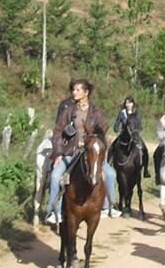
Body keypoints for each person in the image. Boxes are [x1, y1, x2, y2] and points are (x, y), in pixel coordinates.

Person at [45, 79, 120, 224]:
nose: (74, 92)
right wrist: (59, 153)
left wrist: (99, 147)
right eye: (73, 89)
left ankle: (108, 206)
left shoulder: (96, 112)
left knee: (111, 174)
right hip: (71, 151)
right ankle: (54, 211)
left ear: (86, 92)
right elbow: (58, 132)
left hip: (91, 152)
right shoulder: (68, 111)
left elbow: (103, 131)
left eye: (78, 90)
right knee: (55, 177)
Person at [111, 95, 151, 178]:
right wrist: (116, 129)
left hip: (135, 134)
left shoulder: (136, 113)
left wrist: (138, 132)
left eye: (130, 103)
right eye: (126, 103)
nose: (128, 104)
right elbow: (117, 123)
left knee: (145, 149)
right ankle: (109, 165)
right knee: (112, 147)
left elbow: (140, 125)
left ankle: (146, 170)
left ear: (133, 104)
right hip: (124, 134)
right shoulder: (122, 113)